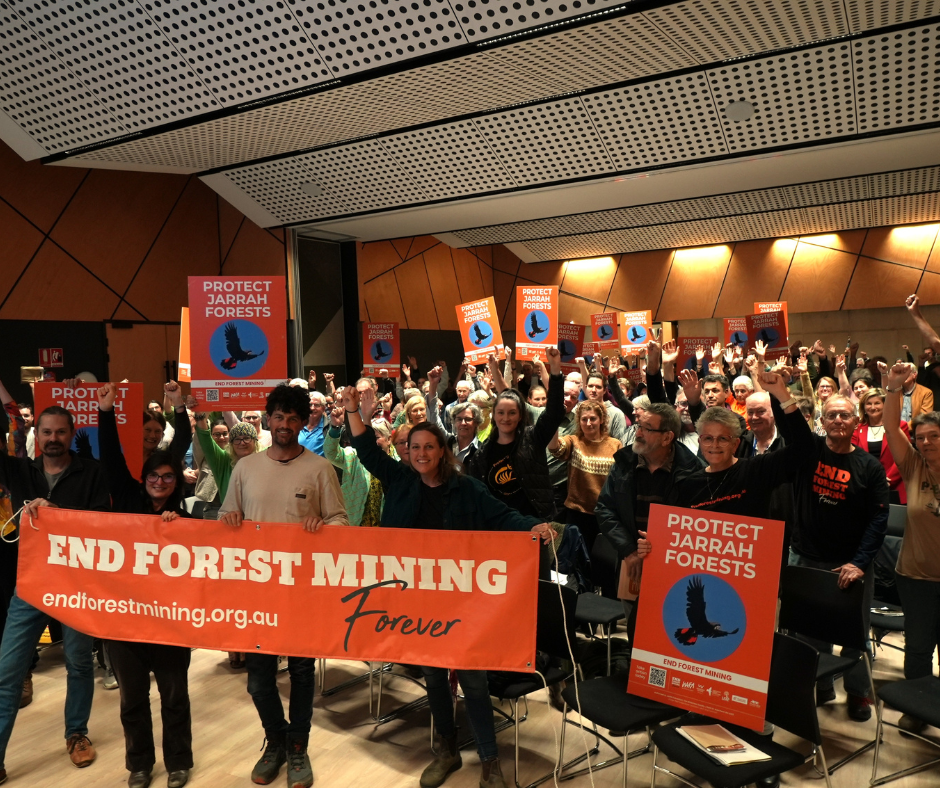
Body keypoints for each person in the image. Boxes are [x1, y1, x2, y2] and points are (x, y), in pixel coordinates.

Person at [343, 385, 553, 788]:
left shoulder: (467, 488)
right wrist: (354, 410)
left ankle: (490, 761)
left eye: (429, 447)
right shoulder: (401, 481)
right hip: (415, 599)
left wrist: (534, 526)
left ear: (443, 451)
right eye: (414, 447)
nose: (420, 454)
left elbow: (503, 516)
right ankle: (446, 749)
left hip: (461, 600)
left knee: (472, 679)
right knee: (435, 676)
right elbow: (368, 451)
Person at [219, 384, 348, 788]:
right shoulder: (245, 468)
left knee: (301, 673)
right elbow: (227, 514)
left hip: (301, 593)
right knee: (258, 679)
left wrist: (322, 528)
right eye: (279, 417)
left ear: (301, 421)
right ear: (268, 419)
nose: (285, 425)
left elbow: (341, 522)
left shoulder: (319, 469)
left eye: (293, 418)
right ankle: (275, 739)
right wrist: (229, 520)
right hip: (256, 593)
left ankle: (298, 747)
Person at [0, 402, 111, 784]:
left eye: (60, 432)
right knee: (6, 673)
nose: (53, 439)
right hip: (30, 586)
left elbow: (101, 526)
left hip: (76, 588)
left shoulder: (91, 472)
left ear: (71, 433)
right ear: (37, 435)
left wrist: (55, 510)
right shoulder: (19, 471)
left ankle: (76, 734)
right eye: (46, 432)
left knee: (79, 665)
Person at [96, 383, 193, 788]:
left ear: (176, 482)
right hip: (126, 618)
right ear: (144, 477)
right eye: (153, 475)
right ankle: (139, 764)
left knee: (173, 698)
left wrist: (180, 409)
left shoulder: (185, 520)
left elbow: (183, 441)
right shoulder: (128, 497)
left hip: (170, 622)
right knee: (132, 699)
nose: (159, 481)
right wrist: (105, 411)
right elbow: (113, 458)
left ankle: (178, 763)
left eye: (168, 476)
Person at [595, 400, 704, 639]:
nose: (638, 432)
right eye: (638, 426)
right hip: (631, 566)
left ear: (667, 438)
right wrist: (629, 550)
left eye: (647, 428)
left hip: (673, 570)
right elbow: (604, 509)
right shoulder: (624, 463)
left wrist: (660, 549)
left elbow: (697, 524)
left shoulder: (693, 471)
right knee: (636, 634)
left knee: (669, 636)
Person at [880, 361, 940, 735]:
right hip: (916, 577)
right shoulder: (914, 467)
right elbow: (889, 427)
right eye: (922, 437)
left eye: (935, 436)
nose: (927, 442)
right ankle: (917, 708)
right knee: (918, 648)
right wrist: (892, 388)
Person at [469, 349, 565, 520]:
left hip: (536, 525)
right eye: (501, 413)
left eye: (512, 413)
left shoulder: (533, 438)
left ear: (520, 415)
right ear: (494, 414)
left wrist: (555, 370)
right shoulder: (482, 454)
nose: (506, 418)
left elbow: (555, 413)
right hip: (499, 527)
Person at [548, 399, 622, 551]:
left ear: (601, 420)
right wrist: (554, 419)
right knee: (576, 560)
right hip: (577, 513)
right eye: (584, 419)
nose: (589, 423)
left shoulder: (615, 445)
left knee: (602, 561)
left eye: (593, 418)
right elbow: (554, 448)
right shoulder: (574, 441)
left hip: (605, 514)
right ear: (579, 421)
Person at [324, 402, 392, 526]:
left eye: (377, 437)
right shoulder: (354, 455)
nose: (373, 442)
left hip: (386, 525)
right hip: (357, 522)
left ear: (389, 439)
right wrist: (335, 427)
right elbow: (331, 453)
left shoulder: (398, 462)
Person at [852, 388, 908, 504]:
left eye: (877, 403)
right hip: (865, 487)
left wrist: (885, 480)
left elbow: (904, 456)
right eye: (869, 404)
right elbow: (854, 458)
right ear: (863, 407)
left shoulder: (900, 426)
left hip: (894, 486)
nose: (873, 407)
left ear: (885, 405)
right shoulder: (857, 429)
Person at [298, 391, 328, 456]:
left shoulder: (329, 427)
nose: (312, 408)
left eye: (316, 405)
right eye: (310, 405)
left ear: (323, 408)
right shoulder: (298, 424)